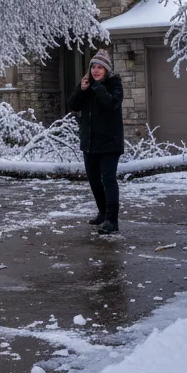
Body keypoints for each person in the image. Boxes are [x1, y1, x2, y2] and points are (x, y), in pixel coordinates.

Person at [66, 49, 125, 234]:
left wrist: (98, 87)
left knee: (108, 179)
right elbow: (73, 105)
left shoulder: (115, 84)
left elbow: (111, 104)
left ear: (106, 70)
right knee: (94, 180)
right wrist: (81, 89)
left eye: (100, 67)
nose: (96, 71)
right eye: (93, 67)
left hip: (109, 142)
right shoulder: (87, 86)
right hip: (90, 142)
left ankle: (112, 221)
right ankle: (102, 213)